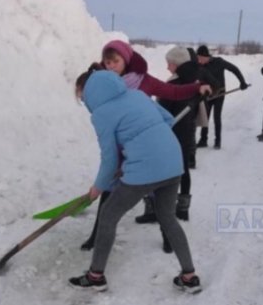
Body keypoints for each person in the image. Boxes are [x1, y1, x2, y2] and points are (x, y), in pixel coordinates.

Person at [69, 69, 202, 294]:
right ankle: (189, 277)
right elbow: (168, 119)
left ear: (90, 92)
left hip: (145, 168)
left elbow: (109, 157)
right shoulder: (136, 95)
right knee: (167, 217)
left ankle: (95, 276)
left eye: (82, 97)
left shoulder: (101, 114)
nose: (84, 102)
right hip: (173, 162)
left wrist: (97, 188)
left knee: (108, 215)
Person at [81, 40, 213, 250]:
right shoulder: (104, 85)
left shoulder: (144, 81)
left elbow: (172, 91)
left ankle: (168, 237)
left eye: (115, 61)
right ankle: (96, 237)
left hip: (144, 152)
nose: (111, 66)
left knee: (158, 193)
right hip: (121, 149)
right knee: (108, 192)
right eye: (107, 62)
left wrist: (198, 87)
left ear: (126, 60)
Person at [158, 47, 201, 224]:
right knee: (183, 168)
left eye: (170, 63)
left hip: (172, 133)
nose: (167, 67)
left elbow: (163, 111)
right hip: (187, 131)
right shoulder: (194, 80)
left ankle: (158, 208)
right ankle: (183, 210)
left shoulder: (175, 85)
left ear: (177, 64)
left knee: (165, 171)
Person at [196, 45, 249, 149]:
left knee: (216, 117)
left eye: (201, 58)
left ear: (206, 56)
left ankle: (217, 141)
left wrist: (242, 82)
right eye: (198, 58)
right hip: (207, 94)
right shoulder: (200, 66)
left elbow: (234, 69)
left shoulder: (219, 62)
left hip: (220, 93)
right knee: (205, 117)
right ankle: (203, 140)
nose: (200, 61)